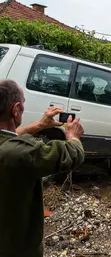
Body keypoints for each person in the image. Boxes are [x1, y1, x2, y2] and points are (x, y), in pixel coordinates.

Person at [0, 79, 85, 257]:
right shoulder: (19, 152)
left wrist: (39, 125)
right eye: (23, 104)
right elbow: (72, 154)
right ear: (15, 110)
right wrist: (73, 136)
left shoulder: (11, 148)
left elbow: (7, 136)